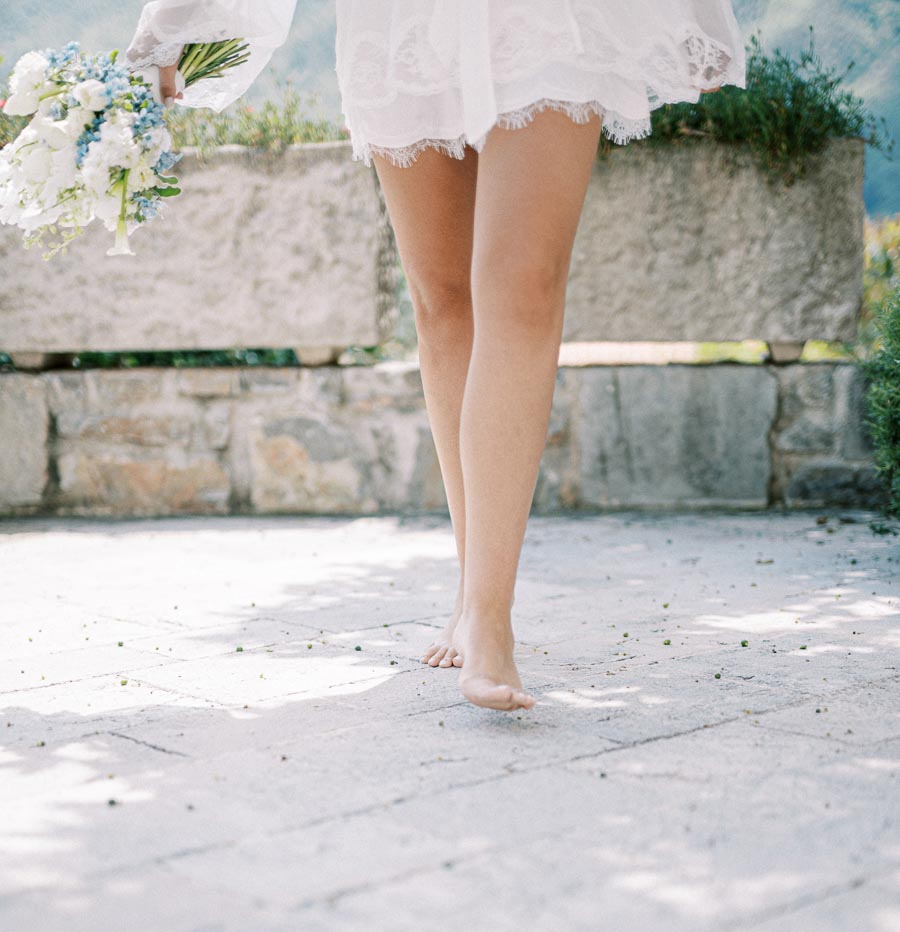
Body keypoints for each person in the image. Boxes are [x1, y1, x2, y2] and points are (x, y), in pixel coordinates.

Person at [127, 0, 746, 713]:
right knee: (443, 301)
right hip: (403, 21)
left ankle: (490, 619)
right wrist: (170, 28)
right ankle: (470, 585)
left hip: (548, 18)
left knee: (523, 284)